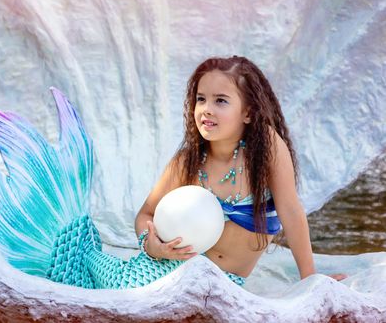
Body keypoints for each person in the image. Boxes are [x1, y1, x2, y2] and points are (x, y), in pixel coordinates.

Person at [134, 56, 348, 286]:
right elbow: (145, 214)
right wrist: (151, 245)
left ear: (247, 113)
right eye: (201, 99)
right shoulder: (188, 160)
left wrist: (309, 277)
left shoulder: (264, 148)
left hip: (223, 284)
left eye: (221, 101)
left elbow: (291, 211)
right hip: (169, 272)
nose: (207, 109)